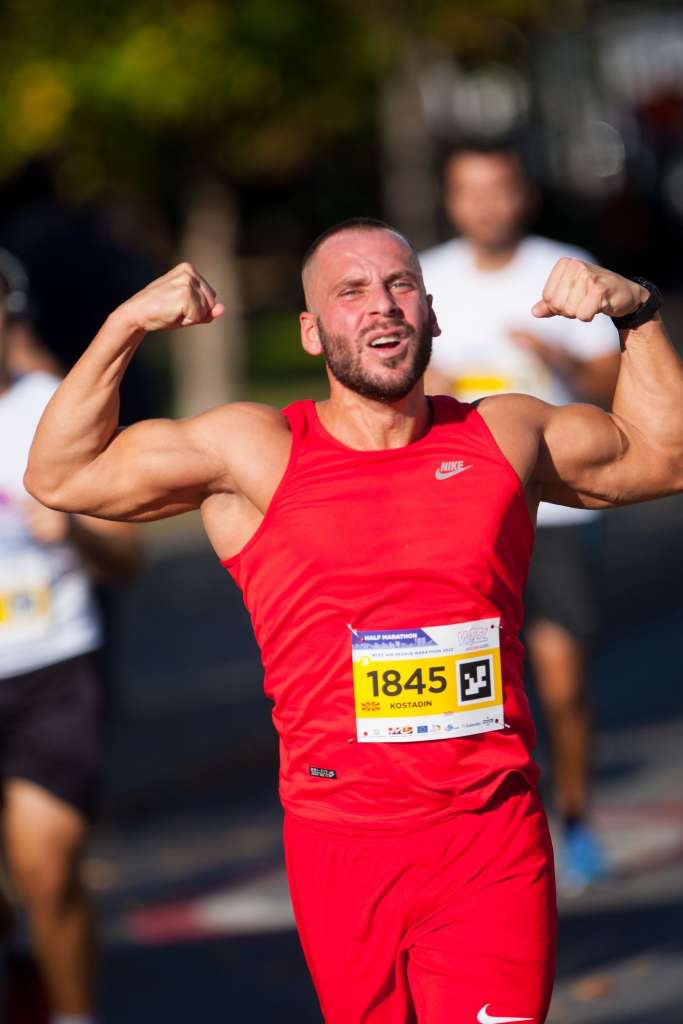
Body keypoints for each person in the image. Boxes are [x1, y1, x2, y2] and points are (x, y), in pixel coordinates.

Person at [24, 219, 683, 1024]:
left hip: (488, 836)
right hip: (340, 848)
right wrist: (125, 324)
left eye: (401, 285)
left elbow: (664, 457)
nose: (382, 306)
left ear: (431, 314)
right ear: (310, 331)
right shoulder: (255, 454)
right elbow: (61, 475)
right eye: (351, 291)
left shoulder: (503, 435)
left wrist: (636, 313)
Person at [420, 143, 620, 891]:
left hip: (553, 514)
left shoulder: (562, 267)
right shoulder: (424, 277)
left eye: (498, 188)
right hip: (458, 516)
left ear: (522, 195)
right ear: (450, 199)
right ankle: (472, 832)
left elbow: (610, 376)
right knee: (463, 692)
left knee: (562, 685)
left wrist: (556, 355)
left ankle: (576, 820)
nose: (484, 204)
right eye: (468, 190)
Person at [0, 250, 142, 1024]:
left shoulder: (49, 410)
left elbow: (127, 558)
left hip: (51, 665)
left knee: (48, 870)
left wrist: (75, 535)